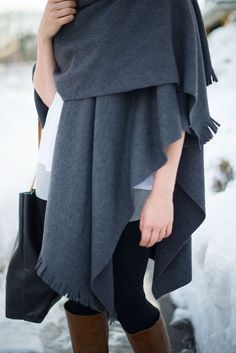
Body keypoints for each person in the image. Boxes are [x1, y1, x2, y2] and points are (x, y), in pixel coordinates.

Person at [32, 1, 220, 352]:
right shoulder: (69, 4)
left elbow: (177, 104)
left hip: (138, 169)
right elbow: (55, 99)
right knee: (79, 296)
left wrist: (163, 194)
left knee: (126, 297)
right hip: (72, 171)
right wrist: (44, 38)